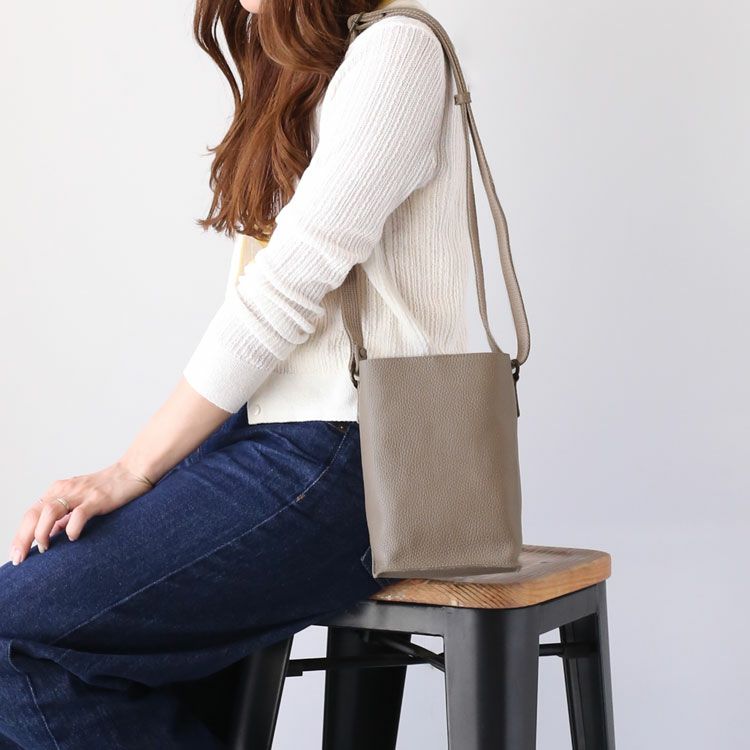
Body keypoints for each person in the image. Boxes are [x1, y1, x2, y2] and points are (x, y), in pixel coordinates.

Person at [0, 0, 472, 746]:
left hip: (365, 457)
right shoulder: (304, 70)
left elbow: (285, 288)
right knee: (49, 641)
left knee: (16, 634)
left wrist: (133, 470)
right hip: (276, 436)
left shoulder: (398, 52)